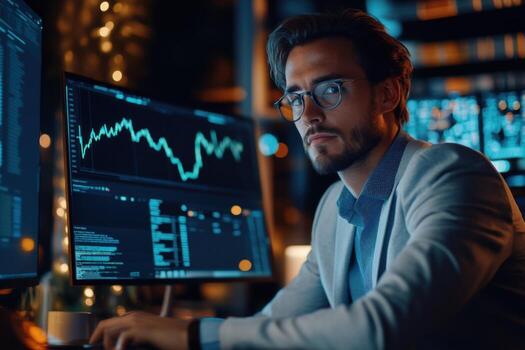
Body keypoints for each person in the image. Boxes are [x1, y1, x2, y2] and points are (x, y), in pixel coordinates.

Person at [90, 9, 525, 350]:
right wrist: (166, 330)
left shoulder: (452, 174)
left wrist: (190, 336)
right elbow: (272, 326)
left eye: (329, 89)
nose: (309, 115)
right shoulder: (335, 210)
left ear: (388, 93)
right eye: (296, 98)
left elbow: (383, 327)